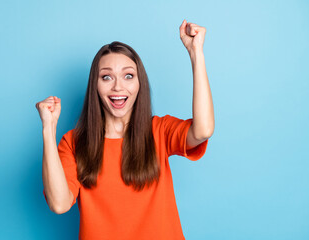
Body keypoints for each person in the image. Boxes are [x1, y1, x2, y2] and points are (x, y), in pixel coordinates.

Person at [35, 19, 214, 240]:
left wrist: (196, 53)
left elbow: (203, 130)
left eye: (128, 76)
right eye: (106, 77)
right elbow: (59, 204)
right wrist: (48, 129)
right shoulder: (73, 142)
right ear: (95, 86)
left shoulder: (159, 130)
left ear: (140, 84)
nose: (118, 86)